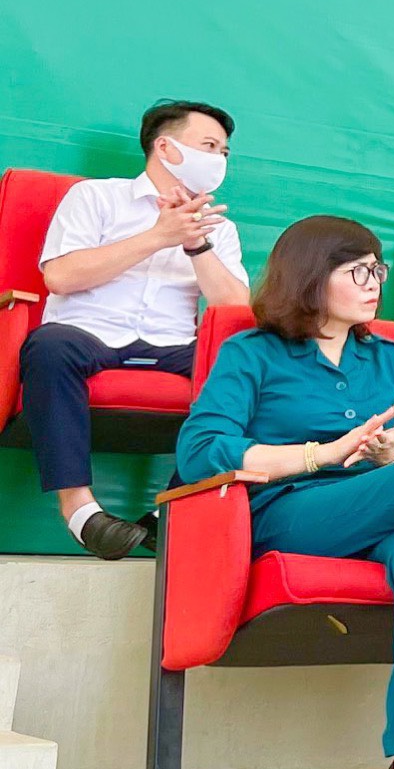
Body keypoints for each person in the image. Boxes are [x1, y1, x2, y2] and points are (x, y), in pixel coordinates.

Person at [173, 216, 394, 768]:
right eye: (357, 271)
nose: (374, 283)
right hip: (288, 510)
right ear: (311, 277)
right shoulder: (252, 352)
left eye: (377, 270)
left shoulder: (393, 358)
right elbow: (200, 449)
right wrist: (321, 455)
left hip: (382, 510)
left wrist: (391, 456)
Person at [29, 100, 249, 558]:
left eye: (225, 152)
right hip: (85, 333)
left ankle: (170, 509)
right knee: (48, 347)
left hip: (173, 343)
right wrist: (158, 236)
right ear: (165, 147)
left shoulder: (220, 228)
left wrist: (196, 244)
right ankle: (79, 511)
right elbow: (61, 278)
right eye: (210, 146)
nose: (219, 160)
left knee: (248, 366)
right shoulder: (94, 197)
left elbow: (234, 309)